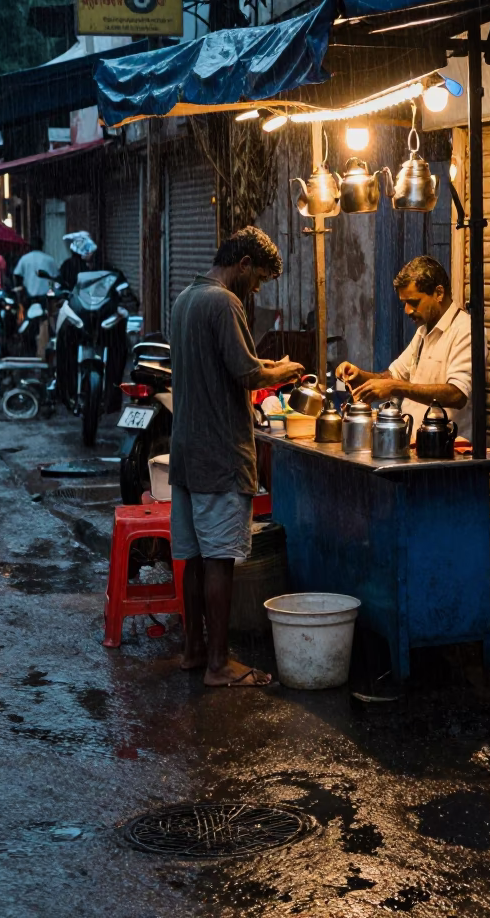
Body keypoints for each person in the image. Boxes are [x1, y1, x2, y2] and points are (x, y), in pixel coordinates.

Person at [170, 226, 305, 687]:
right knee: (219, 559)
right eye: (260, 280)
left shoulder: (185, 297)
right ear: (243, 265)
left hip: (186, 452)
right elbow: (246, 373)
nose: (258, 290)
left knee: (191, 557)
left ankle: (193, 651)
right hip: (220, 453)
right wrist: (282, 370)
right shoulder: (223, 302)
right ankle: (218, 665)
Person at [337, 255, 482, 443]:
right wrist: (360, 376)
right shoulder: (424, 331)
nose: (407, 310)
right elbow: (394, 377)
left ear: (438, 293)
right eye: (404, 303)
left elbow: (457, 394)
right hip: (415, 446)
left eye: (414, 302)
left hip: (447, 451)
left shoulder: (466, 331)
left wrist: (397, 388)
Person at [13, 236, 58, 300]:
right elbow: (56, 276)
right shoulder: (49, 259)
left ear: (30, 246)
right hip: (46, 296)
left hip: (29, 295)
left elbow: (17, 274)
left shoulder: (24, 259)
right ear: (42, 246)